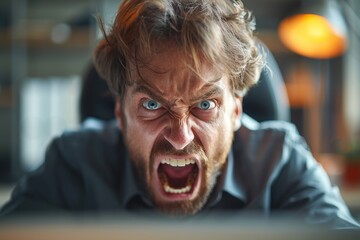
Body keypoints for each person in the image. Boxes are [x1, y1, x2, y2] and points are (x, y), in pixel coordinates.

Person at [0, 0, 359, 229]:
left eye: (205, 105)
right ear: (120, 114)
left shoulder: (279, 160)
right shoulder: (74, 162)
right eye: (152, 105)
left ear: (235, 111)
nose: (181, 135)